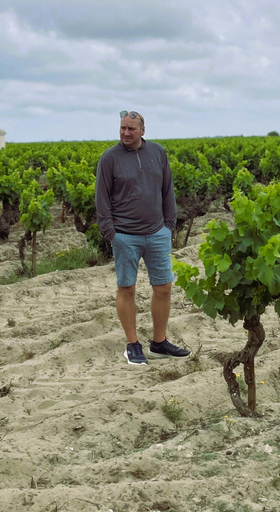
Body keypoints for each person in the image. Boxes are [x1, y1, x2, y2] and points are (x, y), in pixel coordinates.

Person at [95, 110, 191, 365]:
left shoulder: (158, 153)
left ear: (142, 131)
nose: (126, 133)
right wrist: (112, 234)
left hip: (157, 233)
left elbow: (167, 189)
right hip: (125, 236)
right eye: (122, 128)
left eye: (131, 129)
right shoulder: (109, 158)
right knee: (126, 288)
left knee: (164, 288)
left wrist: (168, 226)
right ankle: (132, 344)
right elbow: (102, 201)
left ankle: (159, 343)